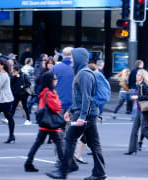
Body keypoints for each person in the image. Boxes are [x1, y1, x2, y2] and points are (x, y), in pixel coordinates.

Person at [46, 48, 108, 180]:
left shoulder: (84, 74)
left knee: (69, 139)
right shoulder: (82, 73)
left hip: (86, 114)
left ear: (79, 58)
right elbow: (79, 98)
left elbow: (87, 98)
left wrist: (81, 117)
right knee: (94, 144)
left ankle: (65, 170)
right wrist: (70, 110)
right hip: (89, 114)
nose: (71, 60)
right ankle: (100, 173)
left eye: (73, 57)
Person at [24, 72, 65, 172]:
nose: (56, 81)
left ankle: (28, 163)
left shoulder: (45, 91)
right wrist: (59, 102)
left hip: (45, 122)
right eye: (55, 79)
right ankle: (64, 165)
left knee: (38, 143)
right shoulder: (49, 93)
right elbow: (56, 107)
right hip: (50, 123)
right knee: (59, 142)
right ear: (50, 81)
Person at [130, 69, 148, 153]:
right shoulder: (138, 85)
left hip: (145, 110)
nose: (137, 76)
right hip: (139, 109)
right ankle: (131, 149)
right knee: (134, 129)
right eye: (137, 74)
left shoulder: (144, 85)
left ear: (143, 76)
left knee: (144, 130)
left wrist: (137, 97)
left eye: (139, 75)